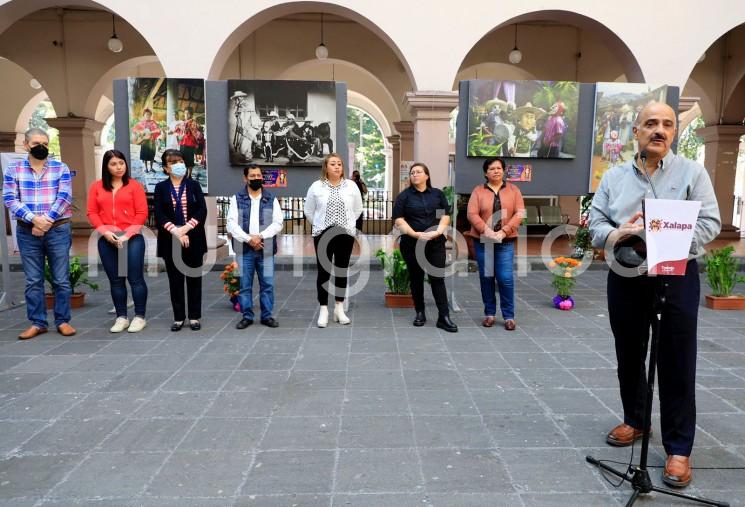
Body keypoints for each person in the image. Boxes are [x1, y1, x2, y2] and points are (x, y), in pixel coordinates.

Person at [589, 101, 721, 488]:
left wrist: (669, 240)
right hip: (626, 273)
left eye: (666, 124)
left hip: (676, 275)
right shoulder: (613, 177)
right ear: (636, 132)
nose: (659, 130)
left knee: (678, 361)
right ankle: (636, 420)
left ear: (675, 132)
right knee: (629, 354)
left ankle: (679, 448)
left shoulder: (693, 173)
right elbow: (595, 220)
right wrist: (616, 234)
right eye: (650, 123)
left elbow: (711, 222)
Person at [3, 128, 76, 339]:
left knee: (61, 279)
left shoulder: (60, 168)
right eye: (36, 143)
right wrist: (34, 219)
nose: (41, 147)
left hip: (58, 229)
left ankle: (63, 321)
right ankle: (38, 322)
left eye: (45, 143)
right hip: (28, 231)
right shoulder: (13, 170)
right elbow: (10, 198)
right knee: (33, 280)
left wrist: (46, 221)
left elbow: (64, 198)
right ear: (26, 145)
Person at [87, 150, 148, 333]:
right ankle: (121, 317)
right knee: (115, 280)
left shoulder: (134, 186)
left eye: (121, 163)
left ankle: (139, 316)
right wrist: (105, 233)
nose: (118, 167)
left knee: (135, 279)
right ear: (106, 166)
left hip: (132, 238)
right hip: (107, 239)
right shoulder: (97, 187)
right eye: (113, 164)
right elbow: (92, 212)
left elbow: (142, 213)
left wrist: (127, 235)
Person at [392, 162, 457, 333]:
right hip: (412, 243)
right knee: (416, 278)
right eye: (412, 172)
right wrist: (415, 234)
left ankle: (443, 316)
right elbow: (399, 220)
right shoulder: (404, 197)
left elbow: (444, 217)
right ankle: (419, 312)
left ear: (427, 176)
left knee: (437, 278)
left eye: (419, 172)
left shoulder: (436, 195)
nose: (415, 174)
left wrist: (438, 232)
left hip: (435, 243)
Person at [304, 153, 363, 327]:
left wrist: (349, 224)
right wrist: (319, 225)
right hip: (323, 233)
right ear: (326, 167)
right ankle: (323, 309)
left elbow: (358, 209)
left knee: (342, 270)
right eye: (333, 164)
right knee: (324, 271)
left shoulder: (351, 186)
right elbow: (308, 211)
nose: (337, 167)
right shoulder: (316, 187)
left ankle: (339, 308)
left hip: (345, 233)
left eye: (339, 164)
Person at [467, 157, 525, 330]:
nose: (496, 171)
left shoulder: (514, 190)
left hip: (505, 241)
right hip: (483, 241)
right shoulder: (478, 191)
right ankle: (489, 314)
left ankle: (509, 316)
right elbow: (472, 214)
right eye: (492, 168)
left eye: (499, 168)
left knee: (505, 279)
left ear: (504, 170)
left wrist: (503, 231)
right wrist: (488, 231)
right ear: (486, 172)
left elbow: (520, 213)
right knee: (487, 278)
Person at [154, 149, 207, 331]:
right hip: (171, 239)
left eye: (181, 162)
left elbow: (202, 210)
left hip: (193, 238)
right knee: (175, 280)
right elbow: (159, 214)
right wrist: (176, 231)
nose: (179, 166)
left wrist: (186, 228)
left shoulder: (193, 185)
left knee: (194, 278)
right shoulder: (161, 188)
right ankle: (178, 317)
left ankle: (194, 316)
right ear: (166, 168)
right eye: (174, 163)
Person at [227, 164, 283, 329]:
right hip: (244, 249)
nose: (256, 178)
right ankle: (247, 316)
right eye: (252, 176)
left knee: (268, 285)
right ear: (245, 178)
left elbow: (278, 222)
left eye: (259, 175)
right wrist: (249, 239)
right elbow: (231, 224)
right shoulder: (236, 199)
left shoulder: (271, 198)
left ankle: (267, 316)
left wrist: (260, 237)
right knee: (244, 285)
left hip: (265, 249)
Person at [131, 108, 161, 173]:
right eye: (146, 114)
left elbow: (158, 130)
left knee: (152, 155)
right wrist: (140, 133)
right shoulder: (141, 123)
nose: (148, 116)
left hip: (151, 141)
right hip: (144, 142)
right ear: (144, 115)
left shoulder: (153, 123)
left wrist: (155, 131)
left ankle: (151, 168)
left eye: (149, 115)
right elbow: (134, 129)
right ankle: (146, 168)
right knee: (145, 156)